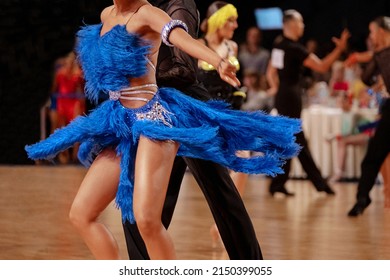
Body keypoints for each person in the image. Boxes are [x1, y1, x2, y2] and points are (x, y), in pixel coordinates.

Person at [25, 0, 301, 259]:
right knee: (81, 214)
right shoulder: (106, 15)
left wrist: (217, 61)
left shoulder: (147, 13)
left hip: (155, 121)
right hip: (120, 122)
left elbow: (180, 37)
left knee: (147, 218)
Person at [122, 0, 263, 260]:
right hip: (153, 108)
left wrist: (145, 84)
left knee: (219, 191)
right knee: (141, 201)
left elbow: (180, 65)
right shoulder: (138, 7)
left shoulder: (178, 4)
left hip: (183, 106)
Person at [266, 9, 350, 196]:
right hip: (291, 97)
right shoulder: (296, 48)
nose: (303, 26)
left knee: (290, 139)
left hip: (283, 96)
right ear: (292, 25)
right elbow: (322, 66)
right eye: (301, 22)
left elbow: (271, 72)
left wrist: (276, 88)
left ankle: (278, 183)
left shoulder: (279, 44)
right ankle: (320, 183)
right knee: (298, 140)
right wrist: (339, 49)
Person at [196, 1, 250, 242]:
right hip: (205, 116)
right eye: (231, 20)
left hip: (230, 113)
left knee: (243, 160)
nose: (236, 25)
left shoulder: (232, 46)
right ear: (218, 20)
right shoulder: (198, 46)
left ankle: (228, 218)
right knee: (213, 172)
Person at [345, 16, 390, 216]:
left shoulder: (381, 53)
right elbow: (365, 78)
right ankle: (362, 198)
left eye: (372, 32)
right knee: (373, 156)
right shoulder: (380, 54)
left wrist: (370, 56)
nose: (371, 37)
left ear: (382, 31)